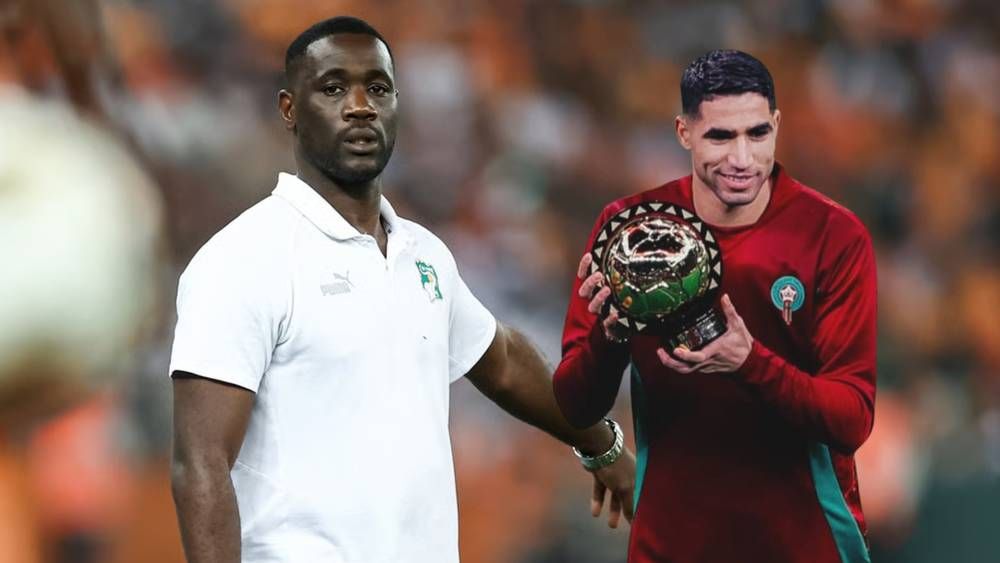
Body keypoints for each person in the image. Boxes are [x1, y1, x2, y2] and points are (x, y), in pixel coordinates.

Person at [168, 16, 634, 563]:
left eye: (378, 88)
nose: (360, 106)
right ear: (289, 109)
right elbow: (201, 464)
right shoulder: (243, 259)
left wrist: (602, 444)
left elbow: (503, 361)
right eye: (334, 88)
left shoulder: (423, 254)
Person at [553, 50, 877, 563]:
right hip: (672, 546)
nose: (742, 159)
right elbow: (575, 405)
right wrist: (608, 338)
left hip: (804, 545)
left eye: (757, 134)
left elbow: (852, 419)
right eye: (720, 137)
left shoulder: (831, 236)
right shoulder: (630, 234)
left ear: (777, 125)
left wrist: (749, 363)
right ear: (684, 132)